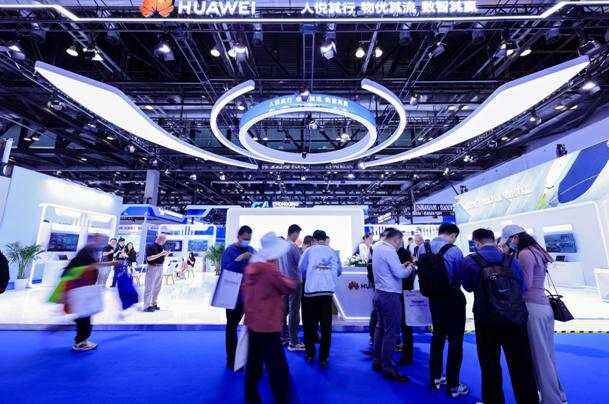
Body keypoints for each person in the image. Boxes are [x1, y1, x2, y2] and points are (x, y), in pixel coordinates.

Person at [460, 228, 540, 404]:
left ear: (476, 242)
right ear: (493, 240)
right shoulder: (511, 260)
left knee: (489, 365)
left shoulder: (470, 261)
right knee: (522, 364)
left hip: (486, 319)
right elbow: (522, 286)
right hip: (515, 317)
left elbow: (468, 287)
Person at [502, 225, 567, 404]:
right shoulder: (537, 250)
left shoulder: (524, 254)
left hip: (532, 308)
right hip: (544, 306)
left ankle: (551, 400)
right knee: (547, 355)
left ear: (514, 238)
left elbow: (525, 284)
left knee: (540, 358)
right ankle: (558, 395)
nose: (507, 244)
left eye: (507, 241)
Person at [242, 232, 297, 404]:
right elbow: (287, 286)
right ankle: (282, 398)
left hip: (253, 321)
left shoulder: (252, 267)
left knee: (254, 363)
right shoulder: (269, 269)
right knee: (276, 365)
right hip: (269, 322)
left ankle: (251, 397)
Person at [423, 223, 469, 397]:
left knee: (437, 337)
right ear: (452, 234)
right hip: (452, 298)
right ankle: (453, 385)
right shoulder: (454, 251)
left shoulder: (423, 248)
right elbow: (460, 276)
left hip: (434, 299)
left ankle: (435, 377)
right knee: (455, 341)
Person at [371, 227, 414, 381]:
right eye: (400, 242)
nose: (400, 245)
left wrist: (401, 266)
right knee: (391, 332)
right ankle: (388, 367)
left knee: (380, 328)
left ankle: (377, 361)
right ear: (396, 239)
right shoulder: (389, 251)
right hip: (390, 295)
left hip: (380, 293)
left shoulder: (377, 248)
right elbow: (400, 274)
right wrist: (409, 268)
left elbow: (388, 271)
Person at [63, 234, 117, 351]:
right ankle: (81, 342)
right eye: (100, 239)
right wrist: (111, 263)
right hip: (79, 287)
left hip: (79, 287)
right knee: (85, 314)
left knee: (84, 314)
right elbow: (90, 266)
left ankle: (81, 339)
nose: (102, 241)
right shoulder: (88, 250)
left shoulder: (89, 250)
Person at [298, 229, 342, 367]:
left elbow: (301, 268)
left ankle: (310, 353)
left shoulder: (309, 251)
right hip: (327, 293)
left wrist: (311, 275)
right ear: (324, 238)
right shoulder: (333, 252)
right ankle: (324, 357)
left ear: (314, 239)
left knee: (309, 324)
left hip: (311, 293)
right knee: (326, 326)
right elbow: (339, 271)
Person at [221, 225, 255, 369]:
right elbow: (225, 269)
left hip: (249, 295)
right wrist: (240, 259)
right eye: (245, 238)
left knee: (251, 328)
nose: (247, 241)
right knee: (232, 327)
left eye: (249, 238)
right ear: (239, 236)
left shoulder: (252, 250)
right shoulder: (230, 250)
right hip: (233, 295)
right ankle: (232, 359)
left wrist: (253, 258)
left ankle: (248, 358)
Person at [280, 224, 305, 351]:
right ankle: (293, 342)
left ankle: (284, 338)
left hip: (283, 282)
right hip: (294, 283)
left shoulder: (281, 246)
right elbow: (301, 264)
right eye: (298, 234)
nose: (298, 237)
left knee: (283, 312)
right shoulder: (293, 247)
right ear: (294, 233)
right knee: (294, 312)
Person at [396, 241, 415, 365]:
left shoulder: (404, 266)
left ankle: (406, 354)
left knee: (404, 325)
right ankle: (407, 352)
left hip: (400, 295)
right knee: (406, 326)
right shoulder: (410, 266)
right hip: (406, 295)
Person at [143, 234, 169, 312]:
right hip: (152, 268)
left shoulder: (161, 247)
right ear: (160, 239)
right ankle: (146, 306)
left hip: (160, 267)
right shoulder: (149, 246)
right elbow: (149, 258)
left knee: (157, 287)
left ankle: (153, 303)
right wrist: (161, 254)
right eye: (164, 240)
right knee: (149, 287)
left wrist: (165, 255)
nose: (164, 242)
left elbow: (160, 258)